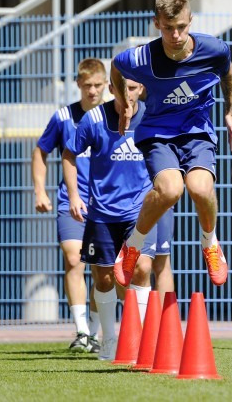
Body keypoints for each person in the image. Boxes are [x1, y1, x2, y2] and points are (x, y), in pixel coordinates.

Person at [109, 0, 232, 288]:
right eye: (168, 28)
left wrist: (230, 110)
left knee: (200, 188)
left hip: (196, 130)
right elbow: (115, 66)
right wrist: (124, 103)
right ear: (157, 23)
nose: (176, 35)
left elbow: (228, 73)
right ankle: (133, 245)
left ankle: (210, 242)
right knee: (170, 190)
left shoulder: (214, 49)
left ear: (190, 20)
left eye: (181, 26)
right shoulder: (143, 57)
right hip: (158, 132)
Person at [62, 77, 173, 360]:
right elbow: (69, 153)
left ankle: (143, 341)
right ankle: (109, 339)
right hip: (102, 212)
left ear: (141, 89)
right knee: (104, 278)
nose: (128, 95)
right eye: (122, 89)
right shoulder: (93, 119)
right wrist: (74, 195)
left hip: (140, 211)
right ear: (112, 89)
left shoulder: (153, 116)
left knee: (142, 269)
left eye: (133, 88)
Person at [32, 58, 106, 353]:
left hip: (104, 205)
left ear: (106, 85)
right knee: (74, 259)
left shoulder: (113, 117)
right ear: (78, 84)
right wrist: (40, 190)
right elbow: (41, 151)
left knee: (102, 271)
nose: (92, 91)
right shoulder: (63, 117)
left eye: (97, 85)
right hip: (70, 202)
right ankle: (81, 331)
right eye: (87, 85)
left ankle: (95, 332)